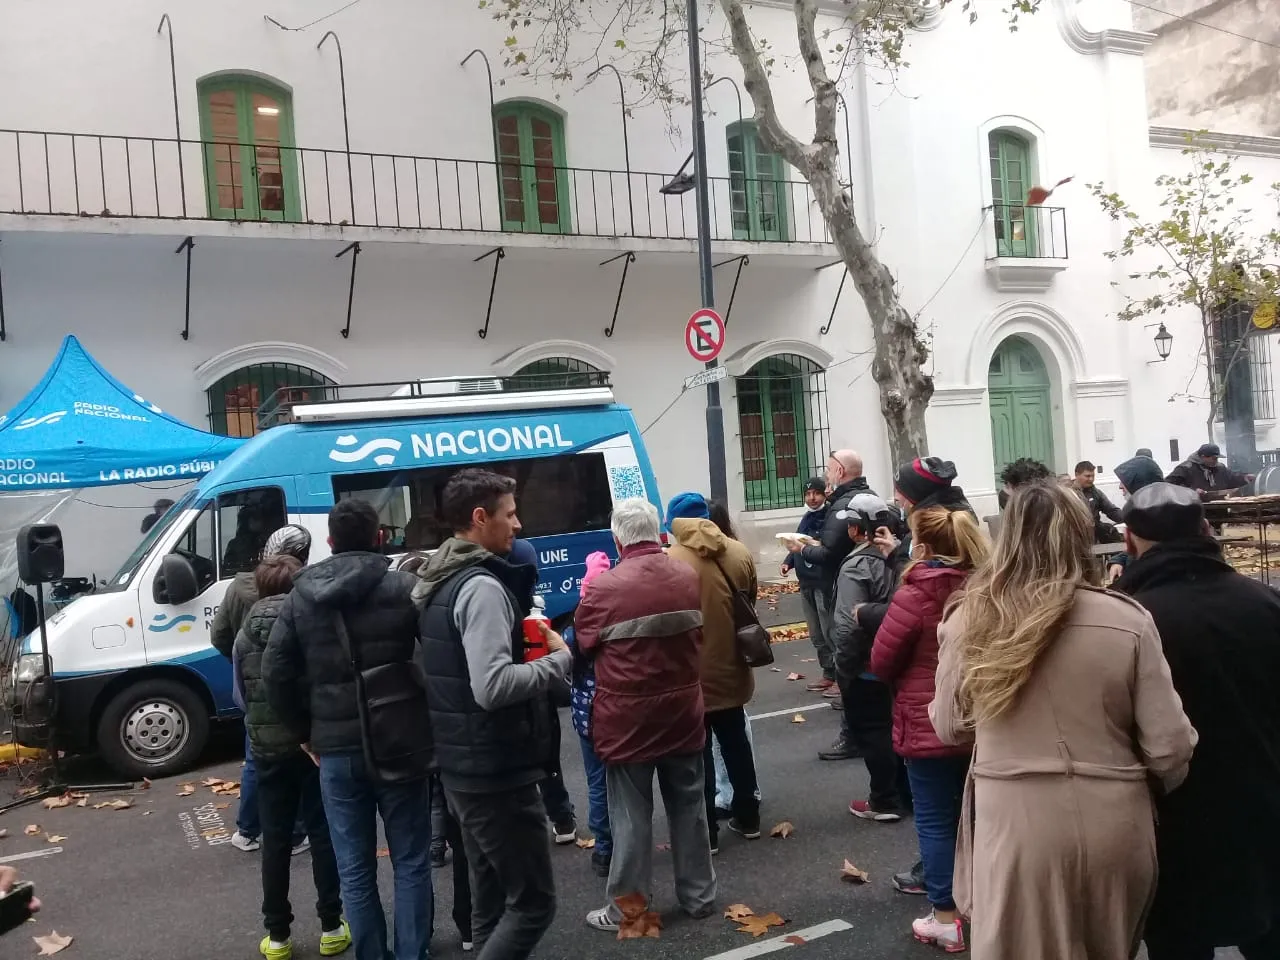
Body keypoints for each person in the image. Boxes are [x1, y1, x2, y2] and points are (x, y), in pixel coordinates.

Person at [930, 481, 1197, 960]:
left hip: (1015, 823)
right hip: (1115, 817)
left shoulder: (971, 618)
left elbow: (950, 725)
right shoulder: (1128, 619)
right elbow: (1170, 745)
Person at [1113, 483, 1280, 960]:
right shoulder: (1265, 602)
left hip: (1170, 816)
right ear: (1206, 529)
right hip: (1264, 802)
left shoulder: (1127, 618)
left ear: (1129, 540)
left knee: (1179, 942)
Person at [414, 469, 571, 960]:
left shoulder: (439, 578)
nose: (518, 525)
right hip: (496, 771)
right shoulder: (480, 587)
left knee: (489, 904)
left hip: (464, 767)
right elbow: (492, 685)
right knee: (533, 904)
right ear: (480, 518)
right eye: (510, 514)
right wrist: (558, 662)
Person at [263, 500, 431, 960]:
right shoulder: (404, 588)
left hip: (335, 747)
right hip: (400, 739)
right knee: (411, 859)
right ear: (380, 538)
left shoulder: (302, 597)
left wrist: (304, 732)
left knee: (354, 868)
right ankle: (413, 952)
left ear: (330, 541)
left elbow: (275, 672)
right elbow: (435, 655)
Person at [575, 498, 716, 932]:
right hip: (682, 710)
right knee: (689, 807)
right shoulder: (686, 575)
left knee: (631, 818)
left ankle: (629, 911)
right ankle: (699, 897)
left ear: (617, 541)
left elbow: (583, 643)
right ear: (658, 534)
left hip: (628, 719)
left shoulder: (605, 588)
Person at [870, 507, 988, 952]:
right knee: (981, 818)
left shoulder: (913, 596)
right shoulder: (990, 590)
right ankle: (987, 904)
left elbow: (882, 661)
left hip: (927, 722)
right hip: (983, 721)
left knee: (937, 820)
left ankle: (945, 917)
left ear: (922, 547)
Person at [235, 554, 350, 960]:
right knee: (322, 833)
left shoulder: (244, 635)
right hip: (313, 744)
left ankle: (278, 936)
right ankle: (332, 926)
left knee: (276, 840)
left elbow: (240, 696)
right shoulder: (307, 624)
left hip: (267, 750)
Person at [666, 491, 761, 851]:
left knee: (698, 754)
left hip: (690, 671)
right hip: (732, 664)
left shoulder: (671, 561)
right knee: (736, 743)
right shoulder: (738, 552)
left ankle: (707, 834)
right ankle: (749, 816)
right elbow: (748, 601)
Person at [212, 524, 313, 857]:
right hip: (294, 697)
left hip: (255, 698)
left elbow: (220, 636)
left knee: (256, 762)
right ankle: (296, 833)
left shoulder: (238, 589)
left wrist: (244, 669)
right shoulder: (302, 591)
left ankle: (247, 829)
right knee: (302, 763)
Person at [787, 450, 874, 759]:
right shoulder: (855, 499)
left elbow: (830, 552)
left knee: (842, 639)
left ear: (839, 471)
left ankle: (853, 728)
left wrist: (802, 549)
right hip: (837, 585)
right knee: (832, 638)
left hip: (842, 586)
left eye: (828, 469)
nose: (826, 475)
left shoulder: (845, 505)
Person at [828, 494, 902, 821]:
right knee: (894, 728)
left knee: (874, 733)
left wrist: (844, 670)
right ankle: (903, 793)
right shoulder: (900, 555)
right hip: (897, 659)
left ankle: (884, 800)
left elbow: (848, 627)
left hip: (867, 666)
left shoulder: (857, 566)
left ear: (857, 530)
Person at [566, 551, 615, 879]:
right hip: (617, 714)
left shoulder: (574, 629)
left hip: (587, 718)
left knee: (596, 782)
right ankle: (626, 842)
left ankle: (604, 848)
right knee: (624, 782)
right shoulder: (616, 622)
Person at [782, 478, 834, 692]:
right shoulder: (806, 518)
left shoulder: (830, 517)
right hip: (806, 582)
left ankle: (840, 676)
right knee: (815, 633)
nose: (812, 498)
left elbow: (828, 547)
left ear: (824, 494)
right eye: (808, 494)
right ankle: (828, 673)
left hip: (823, 582)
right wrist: (788, 562)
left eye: (816, 493)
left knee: (829, 630)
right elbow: (797, 543)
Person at [1103, 453, 1167, 583]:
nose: (1120, 486)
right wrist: (1118, 561)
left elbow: (1149, 555)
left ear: (1138, 483)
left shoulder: (1162, 516)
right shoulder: (1148, 512)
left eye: (1124, 481)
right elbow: (1138, 551)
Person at [1166, 442, 1253, 499]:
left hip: (1219, 508)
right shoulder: (1186, 468)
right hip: (1195, 509)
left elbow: (1231, 479)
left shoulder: (1220, 468)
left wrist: (1244, 478)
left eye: (1217, 458)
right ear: (1203, 457)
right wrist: (1192, 491)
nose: (1216, 461)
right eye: (1213, 458)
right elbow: (1169, 485)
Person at [1072, 460, 1123, 543]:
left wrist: (1129, 520)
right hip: (1074, 539)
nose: (1091, 479)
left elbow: (1111, 510)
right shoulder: (1067, 493)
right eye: (1087, 476)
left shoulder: (1095, 493)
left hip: (1094, 538)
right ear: (1077, 475)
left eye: (1093, 476)